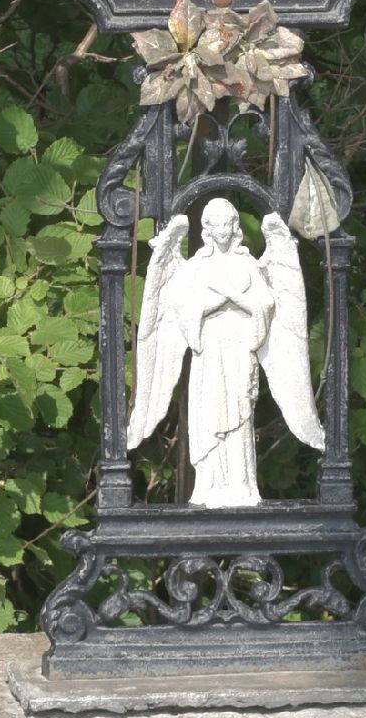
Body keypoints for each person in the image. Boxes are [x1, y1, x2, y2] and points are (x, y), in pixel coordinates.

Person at [127, 198, 324, 507]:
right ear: (206, 229)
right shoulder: (195, 267)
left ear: (234, 227)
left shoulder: (248, 265)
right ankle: (209, 485)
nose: (221, 229)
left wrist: (239, 299)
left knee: (240, 413)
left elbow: (265, 305)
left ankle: (240, 484)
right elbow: (183, 310)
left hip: (238, 350)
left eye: (227, 223)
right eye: (215, 223)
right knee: (209, 414)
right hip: (208, 353)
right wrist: (213, 304)